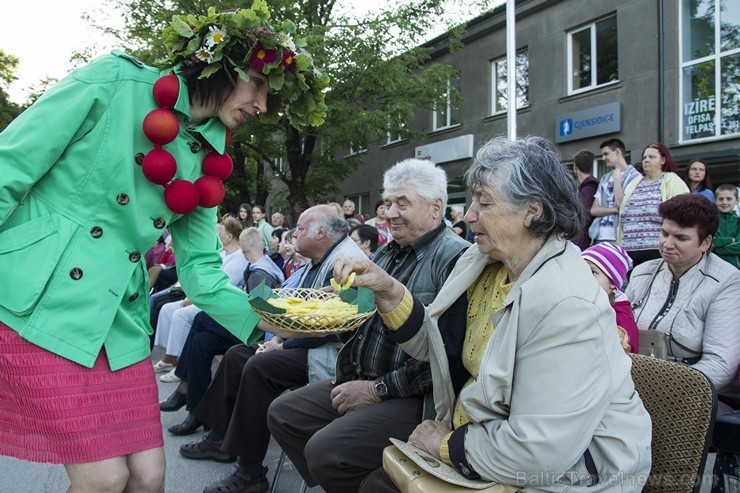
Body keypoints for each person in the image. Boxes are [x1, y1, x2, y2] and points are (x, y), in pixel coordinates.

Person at [0, 4, 327, 491]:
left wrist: (279, 316)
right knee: (104, 479)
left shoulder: (210, 158)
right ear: (225, 63)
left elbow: (202, 273)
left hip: (118, 317)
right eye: (259, 87)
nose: (262, 107)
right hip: (40, 296)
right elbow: (11, 167)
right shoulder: (114, 80)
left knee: (149, 477)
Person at [344, 136, 651, 492]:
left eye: (484, 202)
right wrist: (389, 288)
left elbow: (539, 450)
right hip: (490, 441)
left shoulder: (567, 303)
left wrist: (444, 445)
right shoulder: (482, 261)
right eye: (473, 200)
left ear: (532, 211)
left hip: (573, 474)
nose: (469, 214)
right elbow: (438, 347)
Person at [268, 159, 470, 493]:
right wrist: (304, 316)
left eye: (402, 203)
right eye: (388, 203)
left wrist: (375, 391)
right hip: (359, 375)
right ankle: (352, 478)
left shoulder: (455, 258)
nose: (390, 213)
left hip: (414, 398)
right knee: (284, 414)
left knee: (326, 451)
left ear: (436, 208)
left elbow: (445, 359)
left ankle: (361, 476)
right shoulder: (388, 253)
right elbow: (356, 319)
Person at [180, 205, 367, 493]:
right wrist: (277, 341)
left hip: (336, 353)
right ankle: (218, 436)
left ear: (321, 232)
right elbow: (306, 312)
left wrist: (283, 343)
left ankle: (250, 471)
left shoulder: (348, 261)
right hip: (304, 341)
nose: (294, 234)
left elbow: (339, 325)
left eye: (301, 229)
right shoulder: (320, 259)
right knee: (236, 355)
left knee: (258, 367)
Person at [161, 227, 285, 436]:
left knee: (201, 319)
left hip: (259, 334)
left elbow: (263, 314)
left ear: (244, 251)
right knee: (201, 341)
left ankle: (185, 389)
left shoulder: (260, 273)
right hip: (252, 328)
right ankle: (196, 409)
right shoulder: (263, 266)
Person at [627, 194, 740, 392]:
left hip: (689, 398)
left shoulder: (727, 282)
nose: (667, 244)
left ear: (706, 243)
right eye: (664, 233)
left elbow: (720, 366)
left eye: (681, 238)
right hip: (630, 384)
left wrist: (663, 390)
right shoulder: (641, 272)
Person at [152, 217, 248, 378]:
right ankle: (170, 355)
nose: (216, 236)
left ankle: (181, 363)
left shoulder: (239, 257)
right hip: (205, 295)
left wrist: (196, 297)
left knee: (180, 314)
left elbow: (223, 284)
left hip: (218, 301)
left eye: (220, 233)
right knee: (167, 308)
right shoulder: (223, 253)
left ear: (230, 236)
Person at [619, 142, 689, 265]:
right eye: (644, 157)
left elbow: (683, 215)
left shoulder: (673, 182)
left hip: (657, 254)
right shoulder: (634, 184)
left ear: (663, 160)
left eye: (651, 157)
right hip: (628, 254)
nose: (646, 160)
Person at [580, 243, 639, 352]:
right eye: (581, 270)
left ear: (612, 283)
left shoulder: (622, 320)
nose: (584, 276)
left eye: (593, 272)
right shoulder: (578, 305)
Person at [590, 138, 641, 244]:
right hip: (598, 236)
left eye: (606, 154)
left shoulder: (635, 177)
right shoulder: (605, 178)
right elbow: (594, 210)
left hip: (619, 236)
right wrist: (614, 210)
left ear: (617, 152)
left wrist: (617, 180)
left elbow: (622, 205)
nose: (603, 158)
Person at [572, 149, 599, 249]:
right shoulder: (590, 186)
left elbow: (584, 217)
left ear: (575, 167)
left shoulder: (588, 188)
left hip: (583, 241)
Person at [713, 184, 740, 269]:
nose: (724, 202)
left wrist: (716, 249)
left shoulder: (738, 221)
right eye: (721, 199)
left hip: (736, 268)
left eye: (729, 199)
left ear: (737, 200)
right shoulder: (710, 221)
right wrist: (730, 240)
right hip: (714, 268)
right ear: (715, 201)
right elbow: (709, 243)